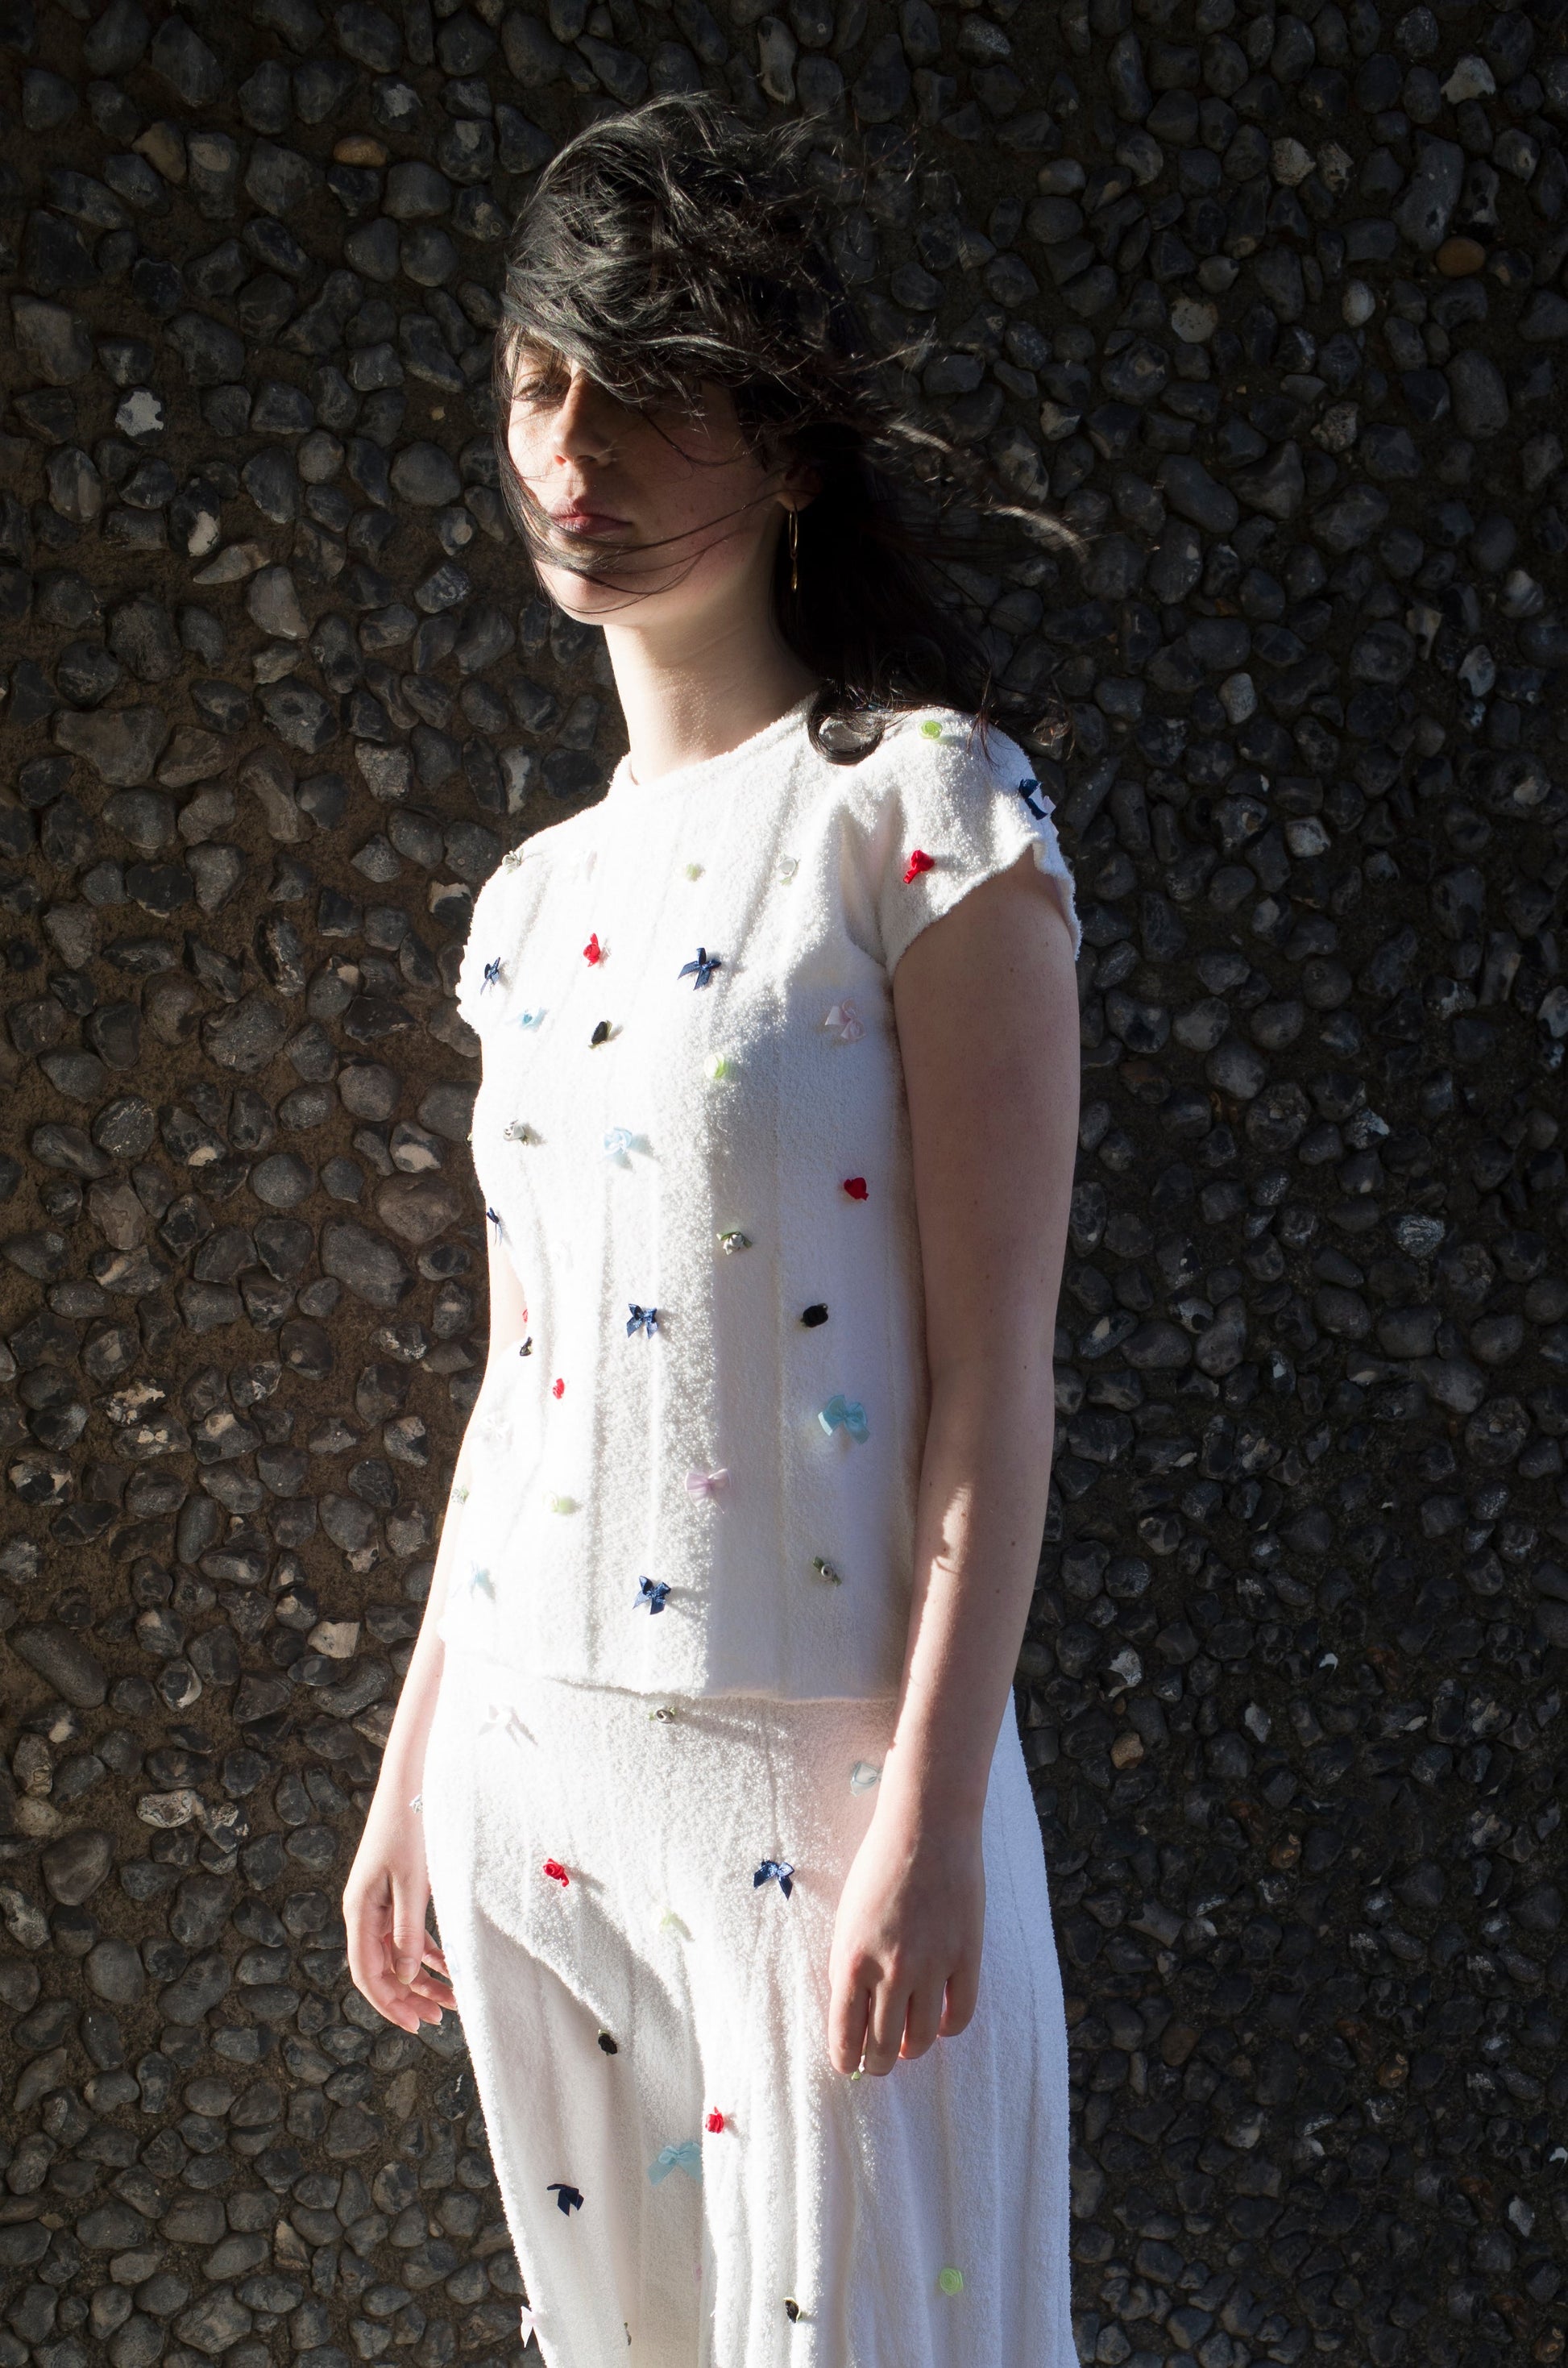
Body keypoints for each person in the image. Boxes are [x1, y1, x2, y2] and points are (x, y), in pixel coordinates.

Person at [345, 93, 1083, 2368]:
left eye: (647, 385)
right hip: (525, 1776)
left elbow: (990, 1371)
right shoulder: (527, 905)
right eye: (540, 379)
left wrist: (935, 1820)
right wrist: (407, 1775)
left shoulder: (924, 813)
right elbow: (526, 1365)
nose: (575, 447)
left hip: (823, 1793)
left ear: (784, 445)